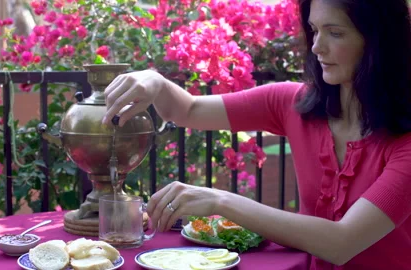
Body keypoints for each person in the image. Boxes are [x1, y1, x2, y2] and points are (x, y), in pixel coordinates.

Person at [102, 0, 411, 269]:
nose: (317, 46)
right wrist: (153, 80)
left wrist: (219, 200)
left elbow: (343, 243)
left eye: (335, 33)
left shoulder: (406, 145)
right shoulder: (292, 103)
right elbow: (188, 110)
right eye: (315, 30)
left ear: (378, 41)